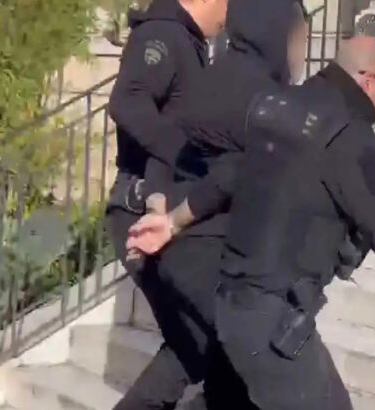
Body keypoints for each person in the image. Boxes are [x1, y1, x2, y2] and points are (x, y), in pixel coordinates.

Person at [127, 35, 375, 410]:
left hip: (231, 304)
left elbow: (228, 176)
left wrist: (172, 222)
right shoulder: (351, 136)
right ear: (368, 82)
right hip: (273, 323)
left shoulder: (275, 105)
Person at [116, 0, 311, 408]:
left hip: (174, 215)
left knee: (201, 352)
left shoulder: (203, 55)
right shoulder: (164, 35)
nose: (230, 13)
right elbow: (129, 105)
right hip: (152, 213)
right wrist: (178, 176)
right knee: (209, 351)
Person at [105, 0, 232, 408]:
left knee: (195, 344)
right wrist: (189, 158)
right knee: (209, 339)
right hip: (144, 210)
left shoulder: (188, 43)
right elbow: (127, 102)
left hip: (164, 212)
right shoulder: (162, 34)